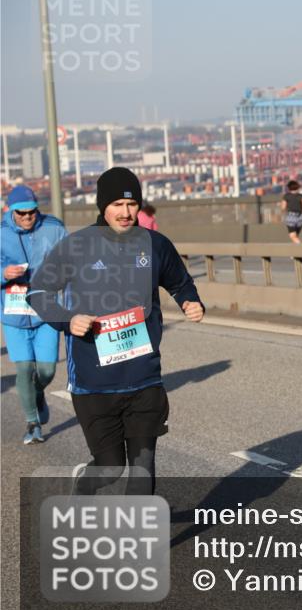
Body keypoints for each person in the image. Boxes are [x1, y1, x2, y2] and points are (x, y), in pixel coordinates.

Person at [28, 167, 205, 496]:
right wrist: (68, 319)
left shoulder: (155, 244)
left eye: (132, 205)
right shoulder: (77, 246)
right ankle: (83, 485)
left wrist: (190, 302)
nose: (125, 213)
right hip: (95, 383)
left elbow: (180, 282)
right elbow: (37, 293)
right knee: (111, 468)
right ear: (102, 205)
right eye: (117, 205)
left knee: (142, 469)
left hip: (144, 375)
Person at [1, 186, 67, 444]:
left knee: (47, 369)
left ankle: (37, 393)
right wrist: (4, 273)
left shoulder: (53, 228)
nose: (28, 218)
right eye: (22, 214)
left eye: (32, 213)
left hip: (46, 310)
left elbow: (71, 260)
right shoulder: (1, 233)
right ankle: (32, 423)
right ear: (11, 211)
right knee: (24, 368)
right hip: (14, 312)